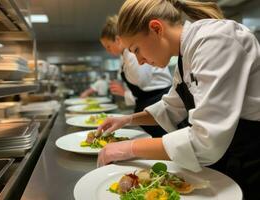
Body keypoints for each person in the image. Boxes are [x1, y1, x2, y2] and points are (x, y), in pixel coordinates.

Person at [97, 0, 260, 199]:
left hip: (253, 157)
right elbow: (170, 108)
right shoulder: (185, 55)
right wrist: (127, 120)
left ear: (156, 28)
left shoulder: (215, 40)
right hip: (231, 154)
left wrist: (128, 148)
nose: (139, 61)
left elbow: (205, 140)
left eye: (137, 49)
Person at [100, 15, 173, 137]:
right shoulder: (124, 56)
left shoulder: (132, 54)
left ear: (118, 40)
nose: (108, 51)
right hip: (148, 103)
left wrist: (124, 93)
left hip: (158, 100)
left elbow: (142, 81)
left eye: (108, 46)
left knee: (165, 139)